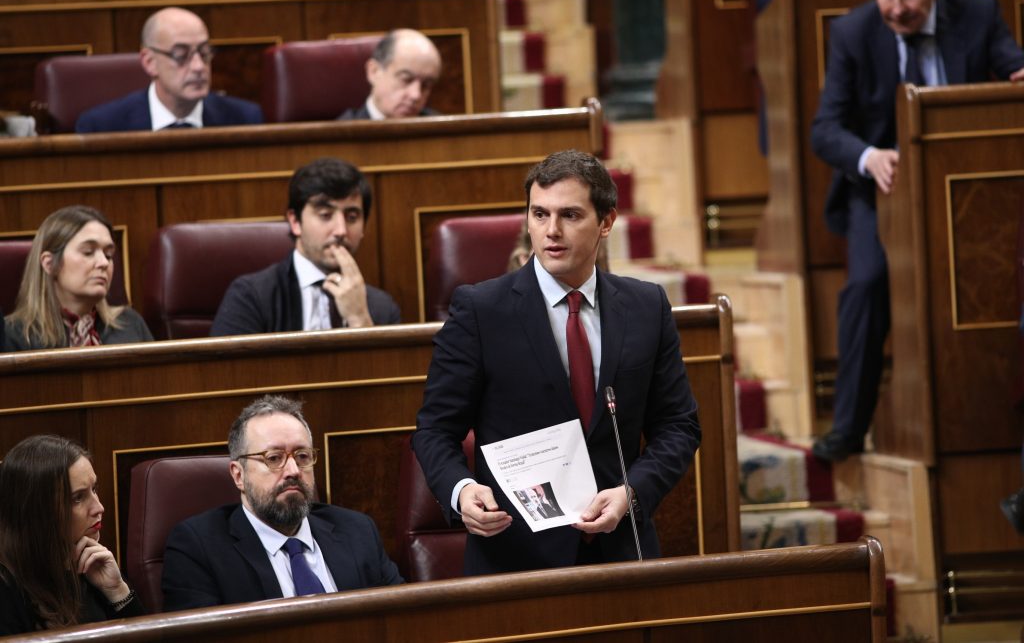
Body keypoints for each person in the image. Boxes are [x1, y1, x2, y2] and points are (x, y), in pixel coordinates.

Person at [412, 149, 701, 576]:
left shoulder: (646, 306)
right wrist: (461, 489)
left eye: (570, 215)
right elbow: (436, 429)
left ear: (606, 222)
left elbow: (678, 425)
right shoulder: (481, 310)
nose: (551, 231)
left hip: (620, 551)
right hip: (515, 558)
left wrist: (632, 492)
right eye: (539, 214)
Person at [809, 0, 1024, 462]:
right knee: (867, 283)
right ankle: (849, 426)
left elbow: (1013, 67)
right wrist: (868, 156)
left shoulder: (979, 13)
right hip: (881, 190)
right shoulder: (853, 32)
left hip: (970, 186)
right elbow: (825, 129)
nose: (896, 7)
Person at [161, 395, 403, 610]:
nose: (293, 470)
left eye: (302, 456)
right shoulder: (199, 548)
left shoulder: (357, 532)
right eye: (274, 458)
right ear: (238, 475)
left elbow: (402, 621)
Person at [210, 158, 401, 336]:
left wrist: (360, 320)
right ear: (295, 222)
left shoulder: (383, 308)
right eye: (325, 215)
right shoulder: (251, 296)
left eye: (352, 217)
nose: (341, 230)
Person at [0, 435, 144, 634]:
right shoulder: (6, 589)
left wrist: (118, 591)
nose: (99, 508)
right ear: (37, 511)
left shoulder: (91, 562)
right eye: (78, 498)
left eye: (94, 489)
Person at [75, 7, 262, 133]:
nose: (198, 66)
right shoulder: (102, 127)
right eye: (181, 55)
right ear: (149, 62)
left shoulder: (244, 119)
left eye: (204, 52)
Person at [3, 206, 153, 351]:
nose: (104, 263)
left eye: (108, 255)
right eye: (88, 252)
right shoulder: (13, 335)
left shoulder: (130, 324)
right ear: (49, 264)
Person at [338, 29, 442, 120]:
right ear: (374, 71)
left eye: (426, 85)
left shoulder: (441, 129)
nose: (416, 95)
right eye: (406, 79)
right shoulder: (341, 133)